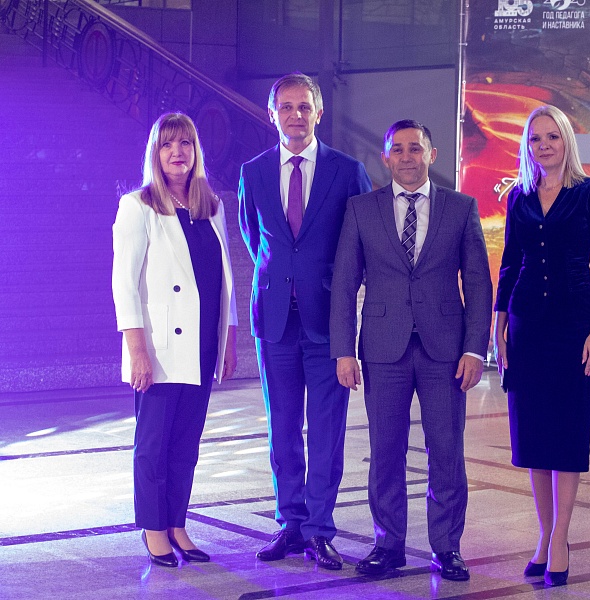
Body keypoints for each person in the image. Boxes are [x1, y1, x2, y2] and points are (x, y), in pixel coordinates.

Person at [330, 120, 493, 581]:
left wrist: (475, 349)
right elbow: (344, 282)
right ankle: (388, 546)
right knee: (385, 451)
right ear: (386, 157)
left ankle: (447, 548)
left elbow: (478, 282)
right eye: (397, 149)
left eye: (415, 148)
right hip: (383, 349)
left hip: (446, 351)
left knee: (447, 451)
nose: (406, 157)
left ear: (431, 154)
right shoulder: (361, 209)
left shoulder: (461, 208)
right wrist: (343, 350)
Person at [238, 73, 371, 570]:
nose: (295, 115)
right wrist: (282, 280)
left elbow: (359, 243)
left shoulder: (347, 170)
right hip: (274, 322)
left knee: (327, 429)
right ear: (271, 114)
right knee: (282, 428)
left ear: (319, 112)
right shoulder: (253, 172)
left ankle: (319, 530)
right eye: (286, 107)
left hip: (328, 323)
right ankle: (290, 524)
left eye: (304, 106)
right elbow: (255, 239)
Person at [493, 105, 590, 587]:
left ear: (566, 141)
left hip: (573, 326)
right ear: (527, 146)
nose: (543, 145)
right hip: (527, 327)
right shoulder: (519, 197)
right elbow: (509, 265)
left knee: (566, 434)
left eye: (552, 137)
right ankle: (543, 536)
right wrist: (499, 329)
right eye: (535, 138)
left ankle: (560, 538)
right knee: (534, 438)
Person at [112, 112, 238, 567]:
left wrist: (229, 338)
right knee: (153, 445)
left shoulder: (211, 205)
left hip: (202, 345)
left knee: (186, 444)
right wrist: (137, 351)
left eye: (185, 143)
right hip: (160, 348)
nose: (177, 152)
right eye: (167, 144)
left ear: (195, 151)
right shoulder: (138, 206)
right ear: (155, 153)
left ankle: (177, 524)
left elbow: (225, 279)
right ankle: (154, 528)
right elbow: (124, 285)